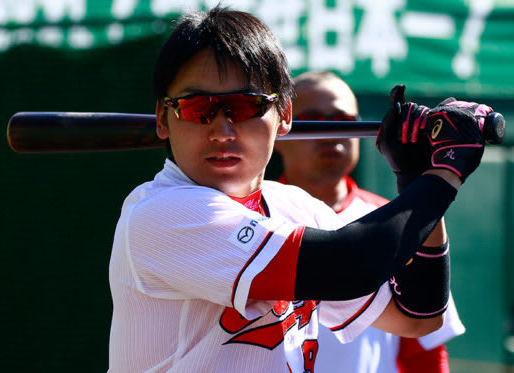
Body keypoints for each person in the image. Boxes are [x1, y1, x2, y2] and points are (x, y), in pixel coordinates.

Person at [107, 6, 493, 372]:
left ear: (284, 115)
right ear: (163, 119)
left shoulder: (292, 206)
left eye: (245, 106)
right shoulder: (160, 214)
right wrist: (443, 175)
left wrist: (417, 178)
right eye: (197, 108)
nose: (221, 131)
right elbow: (349, 267)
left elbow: (417, 316)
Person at [274, 71, 466, 373]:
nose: (331, 133)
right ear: (280, 130)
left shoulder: (400, 219)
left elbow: (424, 348)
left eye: (344, 121)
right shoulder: (250, 216)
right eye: (313, 120)